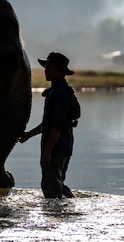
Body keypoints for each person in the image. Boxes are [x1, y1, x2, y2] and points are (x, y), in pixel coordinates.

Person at [19, 52, 80, 198]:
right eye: (46, 67)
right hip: (63, 147)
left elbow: (57, 127)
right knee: (56, 183)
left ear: (60, 71)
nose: (46, 70)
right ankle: (68, 204)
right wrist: (28, 135)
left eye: (50, 68)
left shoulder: (59, 94)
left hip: (56, 150)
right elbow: (48, 124)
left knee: (50, 190)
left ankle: (57, 216)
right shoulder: (58, 91)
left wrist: (47, 152)